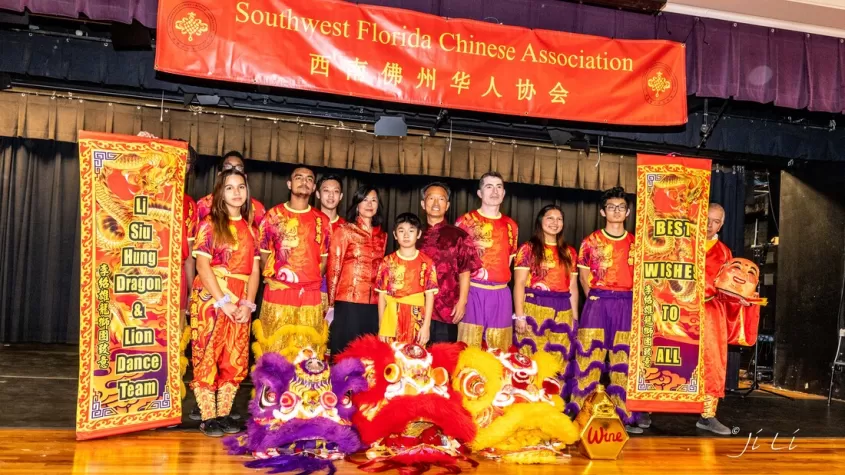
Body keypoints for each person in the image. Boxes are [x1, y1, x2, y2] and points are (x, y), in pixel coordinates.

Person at [189, 168, 260, 437]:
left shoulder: (252, 230)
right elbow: (202, 265)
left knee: (235, 356)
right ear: (220, 192)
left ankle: (223, 412)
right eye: (229, 187)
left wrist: (248, 304)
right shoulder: (209, 224)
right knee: (207, 354)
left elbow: (254, 271)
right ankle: (208, 416)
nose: (236, 192)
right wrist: (223, 302)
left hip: (241, 297)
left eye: (240, 186)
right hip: (212, 297)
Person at [571, 187, 645, 434]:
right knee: (589, 358)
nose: (616, 211)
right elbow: (583, 277)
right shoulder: (590, 241)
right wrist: (593, 299)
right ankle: (582, 413)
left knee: (622, 360)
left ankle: (623, 415)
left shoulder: (636, 243)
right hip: (598, 300)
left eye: (621, 207)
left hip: (626, 301)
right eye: (611, 207)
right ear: (603, 211)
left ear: (627, 212)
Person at [254, 167, 331, 361]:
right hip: (279, 292)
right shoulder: (273, 215)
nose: (304, 182)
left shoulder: (322, 221)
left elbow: (322, 262)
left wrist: (306, 279)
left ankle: (301, 390)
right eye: (299, 178)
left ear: (314, 187)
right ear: (289, 184)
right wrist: (280, 277)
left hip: (310, 295)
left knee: (306, 349)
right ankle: (271, 390)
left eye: (309, 179)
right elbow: (263, 256)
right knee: (275, 346)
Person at [513, 205, 579, 406]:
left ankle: (552, 405)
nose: (554, 222)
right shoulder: (528, 249)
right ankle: (529, 405)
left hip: (562, 310)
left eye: (559, 219)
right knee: (532, 358)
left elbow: (573, 288)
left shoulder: (569, 252)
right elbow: (519, 285)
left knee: (559, 359)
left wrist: (574, 319)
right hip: (534, 307)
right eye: (549, 218)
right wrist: (520, 315)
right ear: (540, 221)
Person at [456, 172, 518, 351]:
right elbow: (458, 263)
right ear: (480, 193)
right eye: (489, 186)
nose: (494, 191)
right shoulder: (465, 222)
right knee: (468, 349)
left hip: (500, 294)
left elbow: (508, 261)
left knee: (500, 350)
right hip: (473, 291)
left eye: (499, 186)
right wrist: (461, 298)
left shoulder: (511, 226)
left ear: (504, 193)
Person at [326, 185, 388, 356]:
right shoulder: (345, 231)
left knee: (368, 356)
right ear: (357, 204)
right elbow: (334, 268)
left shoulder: (383, 236)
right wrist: (331, 304)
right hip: (348, 301)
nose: (369, 204)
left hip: (374, 304)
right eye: (365, 200)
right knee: (345, 353)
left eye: (374, 200)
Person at [417, 182, 481, 343]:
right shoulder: (414, 234)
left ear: (448, 205)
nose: (436, 203)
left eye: (441, 199)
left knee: (443, 360)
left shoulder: (459, 235)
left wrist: (462, 302)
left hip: (446, 309)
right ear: (423, 204)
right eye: (431, 198)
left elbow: (465, 271)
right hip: (416, 308)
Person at [698, 202, 735, 435]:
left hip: (711, 310)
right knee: (669, 354)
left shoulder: (724, 252)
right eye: (707, 219)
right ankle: (649, 409)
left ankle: (707, 415)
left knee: (712, 361)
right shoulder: (681, 243)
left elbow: (730, 286)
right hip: (678, 309)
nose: (710, 225)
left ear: (721, 224)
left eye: (716, 221)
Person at [375, 213, 439, 345]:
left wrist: (426, 326)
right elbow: (382, 296)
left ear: (419, 234)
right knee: (392, 357)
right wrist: (382, 325)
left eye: (411, 231)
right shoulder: (387, 262)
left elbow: (430, 296)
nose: (406, 235)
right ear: (394, 235)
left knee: (414, 359)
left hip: (416, 317)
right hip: (391, 318)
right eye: (401, 230)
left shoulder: (427, 262)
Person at [196, 151, 266, 232]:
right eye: (228, 167)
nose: (233, 171)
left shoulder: (257, 208)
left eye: (239, 168)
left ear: (245, 177)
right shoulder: (203, 205)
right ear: (219, 175)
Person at [317, 175, 346, 316]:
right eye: (326, 190)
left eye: (335, 191)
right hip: (312, 288)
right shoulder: (309, 221)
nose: (330, 195)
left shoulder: (346, 227)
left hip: (338, 292)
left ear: (340, 196)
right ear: (317, 194)